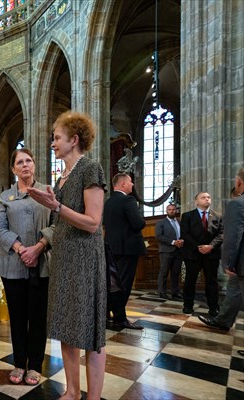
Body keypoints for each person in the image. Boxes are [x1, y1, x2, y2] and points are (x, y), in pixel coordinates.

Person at [27, 111, 106, 399]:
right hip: (63, 259)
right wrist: (50, 201)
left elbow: (93, 222)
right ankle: (72, 391)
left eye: (57, 138)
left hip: (84, 259)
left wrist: (56, 206)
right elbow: (60, 222)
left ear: (74, 140)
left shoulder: (90, 169)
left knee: (90, 333)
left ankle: (93, 397)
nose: (52, 143)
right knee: (66, 326)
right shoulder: (62, 177)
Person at [0, 149, 53, 386]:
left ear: (34, 165)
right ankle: (19, 363)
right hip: (13, 266)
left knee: (38, 318)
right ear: (14, 169)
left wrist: (38, 247)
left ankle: (35, 366)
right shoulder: (5, 196)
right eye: (20, 162)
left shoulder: (48, 192)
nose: (25, 164)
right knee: (17, 317)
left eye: (29, 160)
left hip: (42, 264)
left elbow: (57, 224)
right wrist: (21, 249)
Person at [198, 167, 244, 330]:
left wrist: (227, 263)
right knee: (233, 289)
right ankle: (223, 320)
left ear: (239, 182)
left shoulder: (237, 204)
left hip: (241, 261)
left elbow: (233, 237)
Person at [103, 173, 147, 330]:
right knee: (124, 284)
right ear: (122, 184)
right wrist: (142, 221)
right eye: (130, 182)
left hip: (111, 248)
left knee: (112, 283)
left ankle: (106, 313)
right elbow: (137, 223)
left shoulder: (108, 202)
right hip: (128, 248)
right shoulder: (128, 200)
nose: (132, 185)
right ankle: (120, 318)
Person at [180, 191, 223, 315]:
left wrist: (211, 246)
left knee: (212, 281)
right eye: (203, 197)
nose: (207, 199)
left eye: (209, 197)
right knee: (190, 280)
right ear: (196, 201)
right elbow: (185, 234)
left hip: (211, 253)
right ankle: (188, 305)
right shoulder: (187, 216)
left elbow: (221, 234)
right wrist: (198, 247)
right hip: (193, 253)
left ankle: (213, 307)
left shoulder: (217, 215)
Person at [155, 203, 184, 299]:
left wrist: (182, 240)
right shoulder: (161, 222)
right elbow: (159, 236)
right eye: (169, 209)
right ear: (166, 211)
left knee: (176, 273)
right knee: (164, 272)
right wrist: (173, 242)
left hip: (179, 251)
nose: (172, 211)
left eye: (173, 209)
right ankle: (162, 292)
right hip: (166, 251)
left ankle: (175, 292)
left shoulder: (180, 222)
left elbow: (184, 234)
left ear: (176, 210)